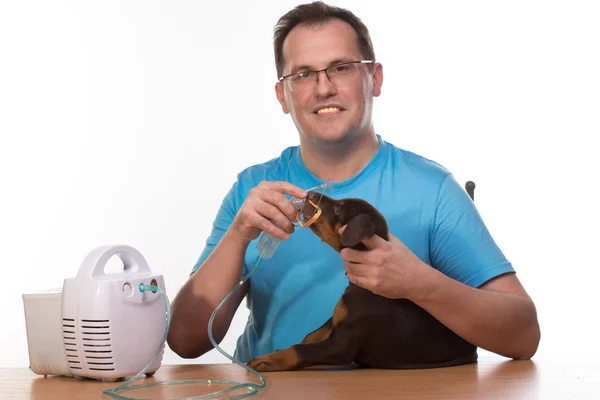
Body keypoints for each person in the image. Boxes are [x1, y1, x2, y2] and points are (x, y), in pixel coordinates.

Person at [166, 1, 541, 363]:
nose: (323, 87)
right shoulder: (253, 191)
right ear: (283, 95)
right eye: (303, 74)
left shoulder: (433, 190)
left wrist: (421, 284)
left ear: (374, 78)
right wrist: (237, 237)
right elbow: (185, 340)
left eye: (341, 68)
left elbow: (523, 336)